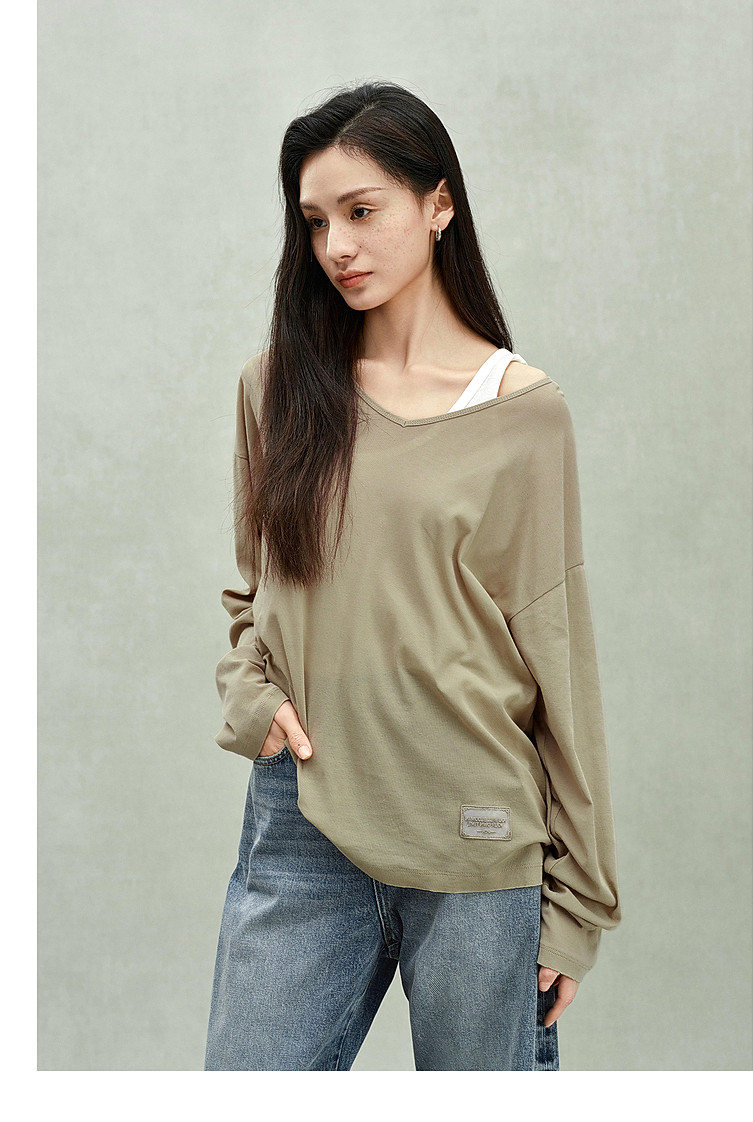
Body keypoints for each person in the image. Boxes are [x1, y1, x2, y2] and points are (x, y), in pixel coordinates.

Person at [203, 80, 621, 1072]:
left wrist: (578, 903)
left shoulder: (522, 411)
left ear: (439, 205)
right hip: (305, 818)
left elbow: (556, 653)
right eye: (316, 222)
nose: (337, 246)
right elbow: (255, 593)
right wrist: (251, 698)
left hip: (476, 830)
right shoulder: (276, 389)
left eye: (361, 211)